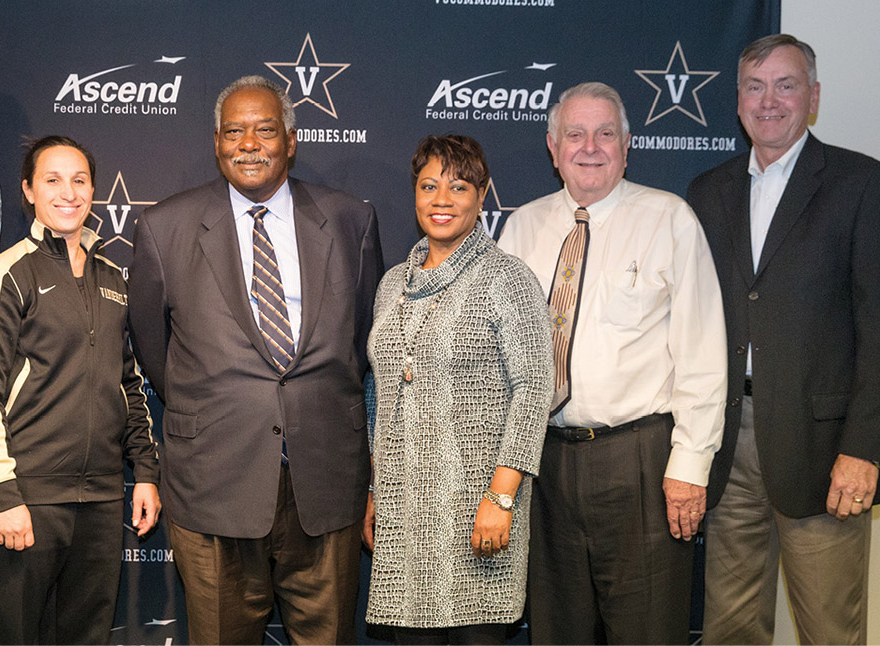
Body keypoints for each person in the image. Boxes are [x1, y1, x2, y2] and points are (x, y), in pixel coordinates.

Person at [127, 75, 383, 644]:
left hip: (325, 477)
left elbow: (363, 338)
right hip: (215, 476)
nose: (250, 144)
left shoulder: (350, 221)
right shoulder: (165, 227)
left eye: (265, 130)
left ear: (291, 140)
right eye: (234, 131)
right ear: (216, 142)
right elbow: (153, 348)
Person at [497, 81, 727, 645]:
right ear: (552, 148)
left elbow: (703, 352)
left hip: (641, 464)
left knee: (647, 633)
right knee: (557, 631)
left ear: (628, 144)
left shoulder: (669, 219)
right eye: (574, 133)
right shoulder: (521, 226)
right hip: (542, 463)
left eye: (606, 133)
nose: (590, 146)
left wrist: (690, 467)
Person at [687, 34, 879, 645]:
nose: (769, 101)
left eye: (786, 84)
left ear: (814, 97)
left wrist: (864, 447)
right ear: (738, 102)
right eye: (754, 86)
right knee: (731, 628)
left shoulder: (861, 183)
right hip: (727, 444)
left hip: (824, 450)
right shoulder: (706, 192)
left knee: (829, 630)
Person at [0, 136, 160, 644]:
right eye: (52, 180)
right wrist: (4, 495)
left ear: (93, 190)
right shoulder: (5, 276)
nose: (67, 192)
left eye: (79, 180)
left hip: (99, 502)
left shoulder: (114, 278)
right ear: (28, 190)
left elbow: (129, 384)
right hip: (27, 499)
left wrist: (145, 472)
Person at [362, 135, 551, 645]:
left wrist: (502, 498)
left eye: (458, 186)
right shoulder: (392, 284)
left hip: (479, 515)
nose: (441, 199)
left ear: (482, 195)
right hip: (405, 519)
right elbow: (379, 395)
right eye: (428, 186)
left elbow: (533, 390)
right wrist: (378, 491)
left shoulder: (508, 279)